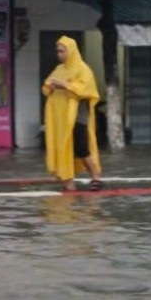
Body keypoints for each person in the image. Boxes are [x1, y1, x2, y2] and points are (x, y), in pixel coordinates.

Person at [43, 36, 103, 192]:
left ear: (71, 51)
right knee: (64, 147)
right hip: (62, 118)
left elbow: (86, 90)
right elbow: (46, 87)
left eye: (62, 51)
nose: (59, 54)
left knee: (81, 147)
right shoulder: (59, 70)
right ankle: (69, 183)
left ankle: (95, 176)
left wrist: (63, 85)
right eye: (58, 51)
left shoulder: (83, 69)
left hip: (78, 116)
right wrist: (51, 86)